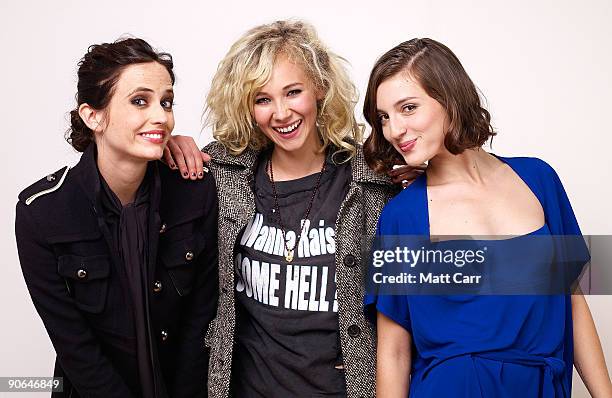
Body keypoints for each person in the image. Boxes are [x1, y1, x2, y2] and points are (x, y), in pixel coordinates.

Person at [163, 20, 422, 398]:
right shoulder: (223, 173)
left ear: (318, 88)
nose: (281, 113)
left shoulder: (375, 180)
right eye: (262, 99)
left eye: (293, 92)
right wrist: (169, 146)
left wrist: (432, 184)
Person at [363, 38, 612, 397]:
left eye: (408, 108)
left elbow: (573, 301)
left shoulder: (539, 180)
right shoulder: (402, 216)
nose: (393, 130)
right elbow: (394, 351)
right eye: (384, 117)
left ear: (449, 98)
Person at [15, 38, 218, 398]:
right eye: (140, 101)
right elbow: (75, 346)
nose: (161, 116)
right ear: (93, 116)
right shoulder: (42, 214)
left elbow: (199, 325)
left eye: (166, 102)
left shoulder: (194, 194)